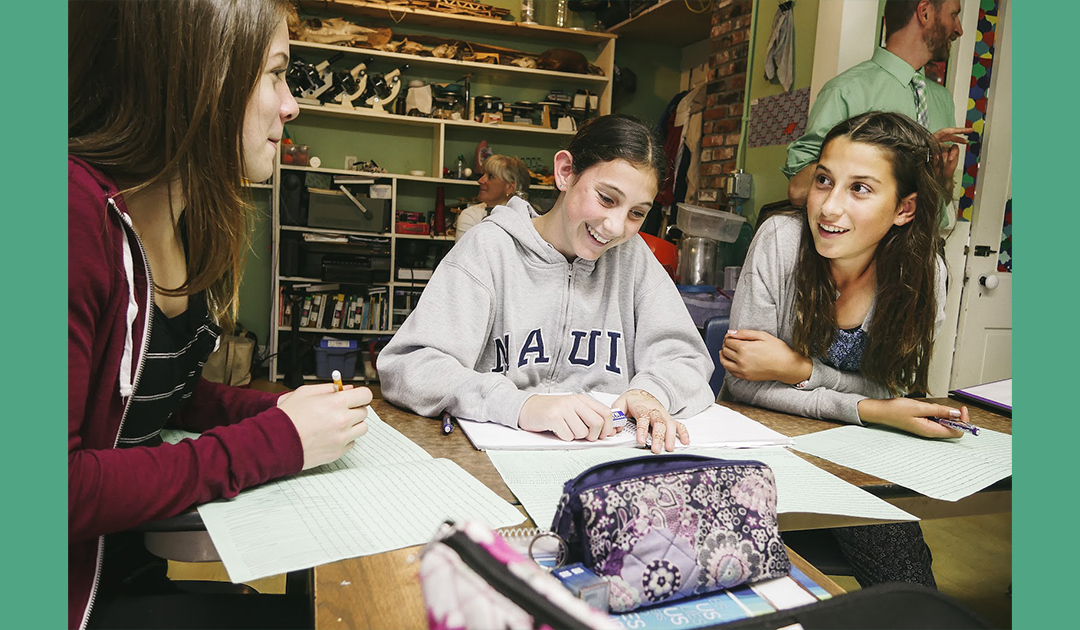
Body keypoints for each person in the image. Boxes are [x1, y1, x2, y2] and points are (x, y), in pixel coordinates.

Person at [68, 2, 372, 628]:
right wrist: (275, 442)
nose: (291, 106)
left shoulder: (193, 222)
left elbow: (150, 397)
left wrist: (279, 409)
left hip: (126, 566)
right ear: (198, 77)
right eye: (275, 74)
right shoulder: (65, 215)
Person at [722, 111, 971, 588]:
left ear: (905, 209)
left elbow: (898, 394)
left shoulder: (924, 275)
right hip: (759, 452)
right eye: (824, 180)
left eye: (860, 188)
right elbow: (743, 384)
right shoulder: (780, 240)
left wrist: (798, 368)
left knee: (906, 591)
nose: (829, 208)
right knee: (743, 585)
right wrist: (869, 406)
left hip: (859, 460)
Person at [379, 115, 715, 453]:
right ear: (565, 172)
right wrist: (520, 405)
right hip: (496, 460)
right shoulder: (489, 249)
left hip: (606, 458)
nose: (615, 227)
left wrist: (651, 392)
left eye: (637, 213)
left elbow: (687, 359)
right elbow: (409, 365)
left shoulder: (634, 258)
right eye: (606, 199)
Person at [784, 0, 974, 222]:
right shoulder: (846, 91)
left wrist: (943, 179)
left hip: (924, 249)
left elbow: (939, 201)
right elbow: (799, 191)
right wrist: (906, 156)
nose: (959, 29)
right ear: (924, 12)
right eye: (953, 15)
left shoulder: (943, 100)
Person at [453, 154, 532, 240]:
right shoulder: (471, 215)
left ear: (510, 187)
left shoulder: (530, 216)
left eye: (490, 176)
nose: (480, 181)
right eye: (483, 174)